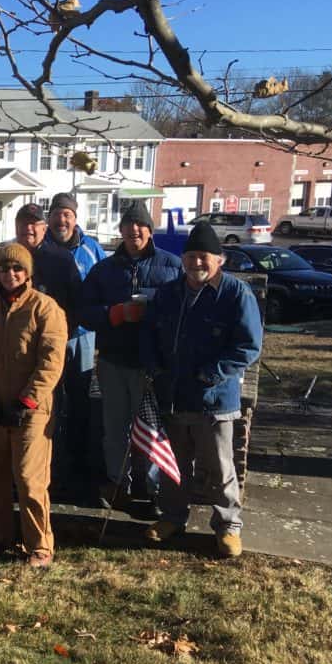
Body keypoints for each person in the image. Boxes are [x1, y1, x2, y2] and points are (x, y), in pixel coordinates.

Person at [141, 222, 263, 558]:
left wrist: (213, 374)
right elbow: (149, 335)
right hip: (173, 396)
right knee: (174, 467)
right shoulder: (169, 294)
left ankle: (228, 527)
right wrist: (153, 367)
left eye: (204, 257)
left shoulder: (236, 294)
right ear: (183, 259)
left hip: (214, 400)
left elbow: (249, 346)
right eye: (191, 256)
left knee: (220, 468)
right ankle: (173, 517)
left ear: (219, 259)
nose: (197, 263)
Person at [0, 243, 68, 568]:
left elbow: (51, 360)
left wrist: (28, 400)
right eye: (3, 269)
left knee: (28, 478)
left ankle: (39, 544)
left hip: (31, 411)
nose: (10, 275)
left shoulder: (46, 309)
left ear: (28, 273)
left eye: (17, 269)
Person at [79, 201, 183, 509]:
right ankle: (117, 483)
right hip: (113, 361)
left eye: (141, 225)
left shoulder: (173, 266)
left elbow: (181, 310)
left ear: (150, 231)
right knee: (115, 428)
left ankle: (150, 488)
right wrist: (114, 314)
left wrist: (152, 308)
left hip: (152, 365)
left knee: (152, 429)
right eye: (128, 225)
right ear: (121, 230)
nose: (134, 230)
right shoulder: (104, 269)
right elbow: (84, 312)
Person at [44, 192, 107, 502]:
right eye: (57, 214)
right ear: (50, 218)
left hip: (81, 336)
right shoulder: (41, 249)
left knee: (80, 399)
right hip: (48, 338)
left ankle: (79, 462)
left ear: (75, 218)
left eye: (67, 214)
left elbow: (107, 284)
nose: (62, 220)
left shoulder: (92, 249)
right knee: (50, 400)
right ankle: (51, 464)